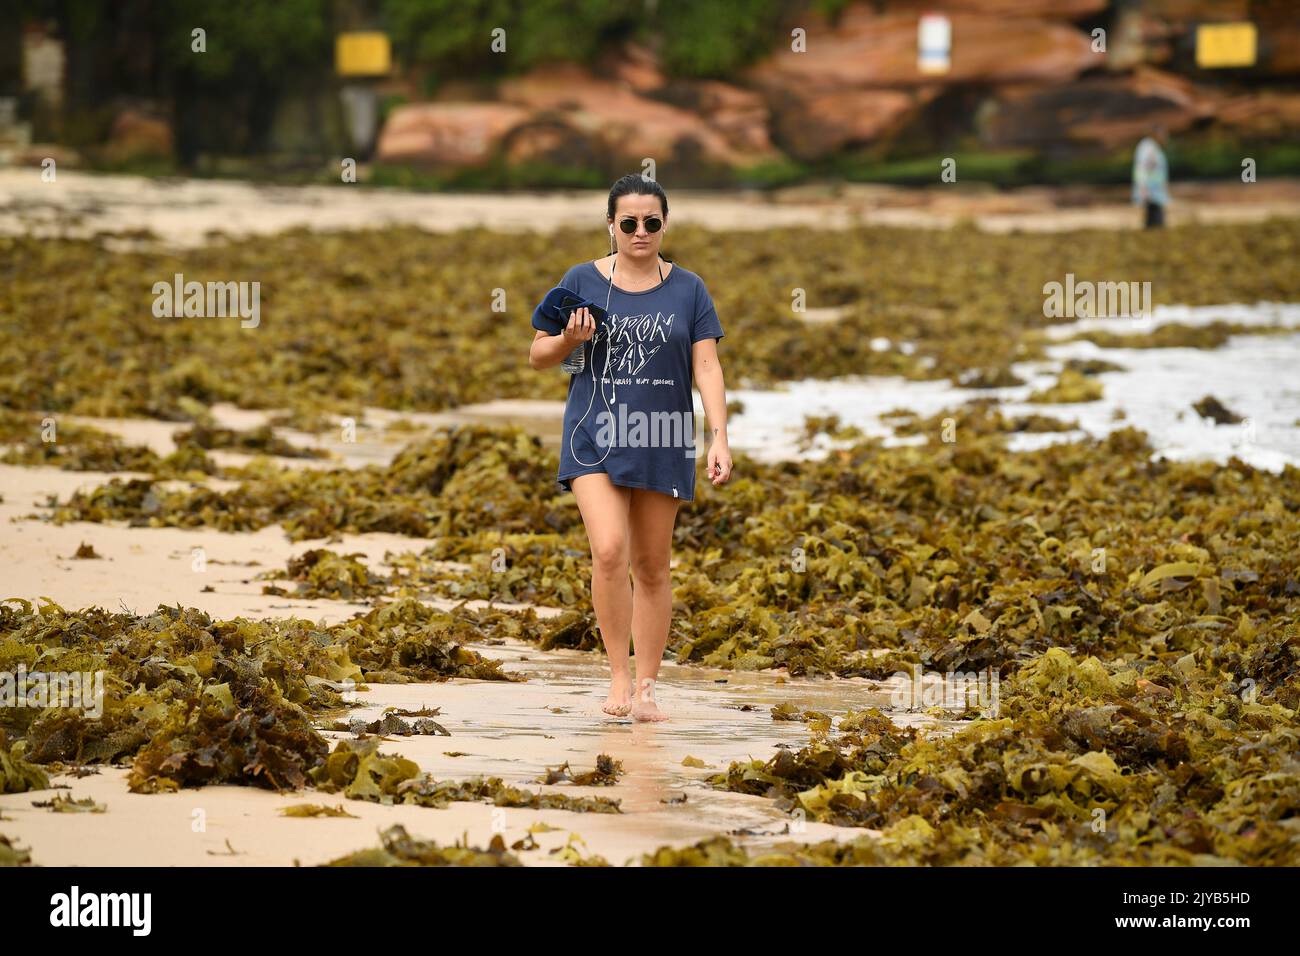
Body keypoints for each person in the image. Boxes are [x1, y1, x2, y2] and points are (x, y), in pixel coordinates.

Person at [528, 174, 732, 721]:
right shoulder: (581, 280)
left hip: (663, 436)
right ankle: (618, 676)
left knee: (653, 565)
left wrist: (719, 436)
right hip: (592, 433)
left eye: (651, 222)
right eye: (629, 223)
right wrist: (570, 340)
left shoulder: (689, 288)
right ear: (611, 225)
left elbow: (707, 364)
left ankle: (646, 687)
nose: (640, 232)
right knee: (610, 551)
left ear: (665, 224)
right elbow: (539, 355)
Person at [1132, 126, 1169, 229]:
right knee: (1155, 221)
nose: (1164, 138)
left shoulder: (1154, 147)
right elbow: (1141, 168)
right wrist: (1142, 187)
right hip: (1150, 191)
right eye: (1163, 135)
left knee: (1156, 219)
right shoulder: (1146, 147)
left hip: (1157, 191)